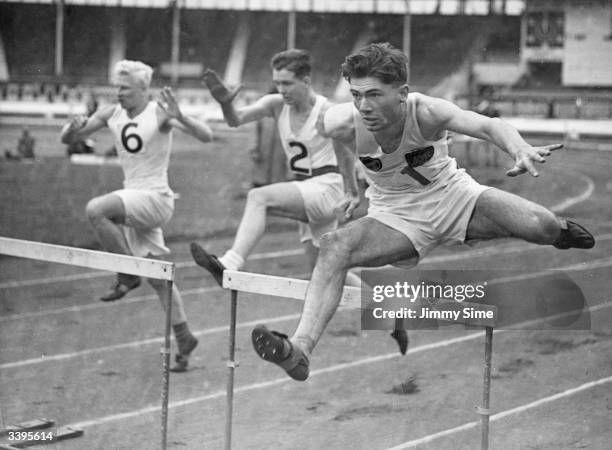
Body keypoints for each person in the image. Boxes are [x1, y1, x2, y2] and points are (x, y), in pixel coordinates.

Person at [249, 43, 595, 382]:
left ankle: (559, 232)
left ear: (402, 92)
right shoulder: (340, 121)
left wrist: (519, 148)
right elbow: (342, 144)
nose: (363, 106)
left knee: (542, 225)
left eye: (373, 95)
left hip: (454, 198)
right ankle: (300, 350)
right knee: (333, 246)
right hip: (394, 215)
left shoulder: (427, 112)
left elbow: (489, 126)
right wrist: (352, 190)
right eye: (356, 95)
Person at [190, 49, 408, 354]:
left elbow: (346, 150)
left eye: (288, 83)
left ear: (306, 81)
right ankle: (389, 311)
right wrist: (226, 103)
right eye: (277, 83)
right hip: (307, 188)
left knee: (259, 197)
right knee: (327, 269)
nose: (282, 90)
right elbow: (235, 120)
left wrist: (350, 190)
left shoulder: (326, 111)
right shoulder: (275, 105)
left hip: (329, 186)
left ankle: (230, 263)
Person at [60, 60, 214, 372]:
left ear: (144, 89)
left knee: (96, 209)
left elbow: (207, 135)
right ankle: (185, 339)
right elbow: (69, 139)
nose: (119, 93)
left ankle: (127, 275)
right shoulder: (110, 112)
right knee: (160, 280)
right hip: (135, 200)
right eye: (117, 86)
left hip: (155, 198)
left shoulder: (159, 112)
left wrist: (180, 116)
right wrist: (70, 126)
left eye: (125, 88)